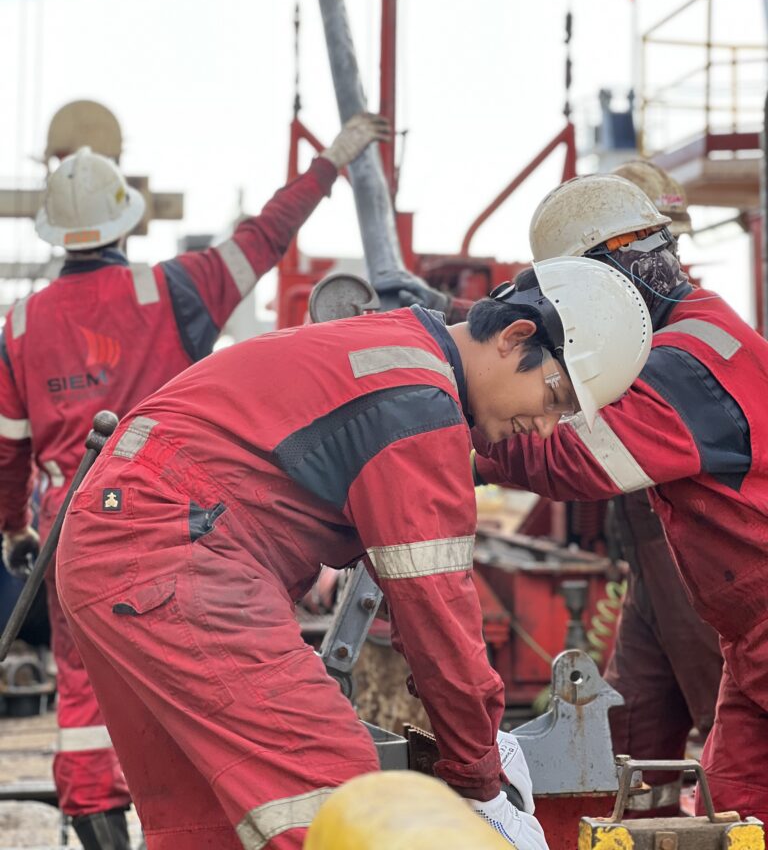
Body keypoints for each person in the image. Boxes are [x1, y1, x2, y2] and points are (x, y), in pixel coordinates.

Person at [56, 256, 651, 850]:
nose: (547, 427)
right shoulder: (418, 403)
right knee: (341, 801)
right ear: (516, 337)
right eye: (555, 396)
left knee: (208, 828)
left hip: (120, 547)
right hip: (172, 552)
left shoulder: (391, 357)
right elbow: (434, 612)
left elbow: (416, 606)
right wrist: (481, 777)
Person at [0, 111, 389, 850]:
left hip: (69, 528)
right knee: (202, 681)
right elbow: (264, 238)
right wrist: (330, 163)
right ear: (125, 224)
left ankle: (98, 823)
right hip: (174, 518)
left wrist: (17, 525)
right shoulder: (175, 290)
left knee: (84, 693)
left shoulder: (20, 326)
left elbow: (6, 450)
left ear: (56, 235)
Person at [474, 172, 768, 823]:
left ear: (601, 281)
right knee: (737, 814)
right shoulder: (700, 337)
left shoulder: (687, 360)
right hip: (749, 640)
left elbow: (573, 457)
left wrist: (473, 430)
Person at [602, 161, 722, 813]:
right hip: (652, 570)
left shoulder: (678, 341)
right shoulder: (632, 329)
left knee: (732, 736)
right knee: (633, 740)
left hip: (700, 566)